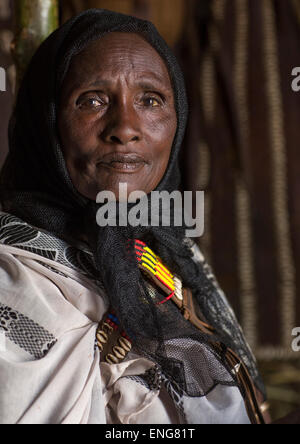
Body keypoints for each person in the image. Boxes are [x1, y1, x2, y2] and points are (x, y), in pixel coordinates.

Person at [0, 8, 267, 424]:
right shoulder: (16, 280)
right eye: (92, 100)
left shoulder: (166, 252)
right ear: (47, 123)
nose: (125, 126)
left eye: (150, 100)